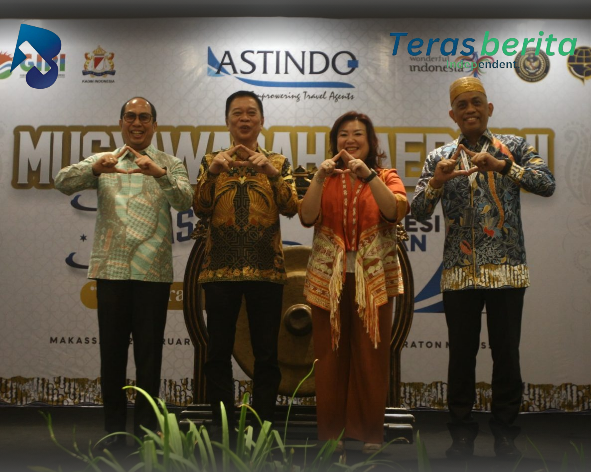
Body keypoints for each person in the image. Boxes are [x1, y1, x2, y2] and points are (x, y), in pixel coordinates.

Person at [411, 77, 556, 460]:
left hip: (507, 270)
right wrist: (437, 182)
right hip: (459, 273)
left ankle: (506, 434)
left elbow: (546, 184)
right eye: (462, 105)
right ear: (452, 114)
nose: (470, 109)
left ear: (489, 108)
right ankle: (461, 434)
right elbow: (418, 211)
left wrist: (503, 166)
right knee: (461, 357)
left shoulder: (514, 147)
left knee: (506, 355)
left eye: (476, 102)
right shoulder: (440, 157)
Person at [55, 97, 194, 447]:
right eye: (130, 117)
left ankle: (147, 431)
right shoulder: (105, 161)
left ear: (154, 125)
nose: (137, 123)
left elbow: (185, 201)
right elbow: (62, 181)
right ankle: (114, 430)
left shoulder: (169, 163)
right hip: (112, 270)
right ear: (121, 123)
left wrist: (159, 174)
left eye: (144, 117)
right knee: (112, 356)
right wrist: (94, 170)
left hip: (153, 273)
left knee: (149, 356)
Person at [299, 112, 409, 454]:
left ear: (370, 142)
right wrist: (319, 178)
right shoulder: (325, 178)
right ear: (335, 142)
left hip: (372, 280)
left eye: (358, 134)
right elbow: (306, 216)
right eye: (343, 134)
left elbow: (395, 210)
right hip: (327, 280)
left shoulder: (386, 176)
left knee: (371, 357)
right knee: (329, 357)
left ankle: (369, 433)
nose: (350, 140)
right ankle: (331, 435)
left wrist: (369, 176)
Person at [193, 91, 299, 433]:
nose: (244, 118)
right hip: (219, 269)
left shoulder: (278, 162)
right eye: (237, 113)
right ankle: (222, 425)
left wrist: (270, 172)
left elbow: (291, 207)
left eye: (251, 113)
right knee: (218, 353)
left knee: (266, 354)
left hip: (266, 269)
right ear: (227, 121)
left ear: (262, 121)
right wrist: (212, 174)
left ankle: (263, 424)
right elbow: (200, 208)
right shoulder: (211, 160)